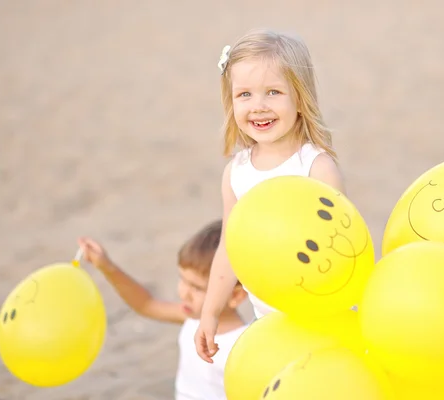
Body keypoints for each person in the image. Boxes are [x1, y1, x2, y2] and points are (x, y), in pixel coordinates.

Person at [195, 28, 346, 364]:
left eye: (273, 92)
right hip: (270, 324)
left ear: (300, 98)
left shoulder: (317, 168)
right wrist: (210, 310)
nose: (258, 107)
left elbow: (341, 247)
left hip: (324, 319)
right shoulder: (236, 173)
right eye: (244, 95)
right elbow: (229, 248)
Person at [77, 220, 248, 400]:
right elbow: (146, 304)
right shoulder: (193, 318)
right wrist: (108, 267)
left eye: (197, 288)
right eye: (183, 280)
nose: (184, 293)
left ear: (235, 296)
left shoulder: (242, 344)